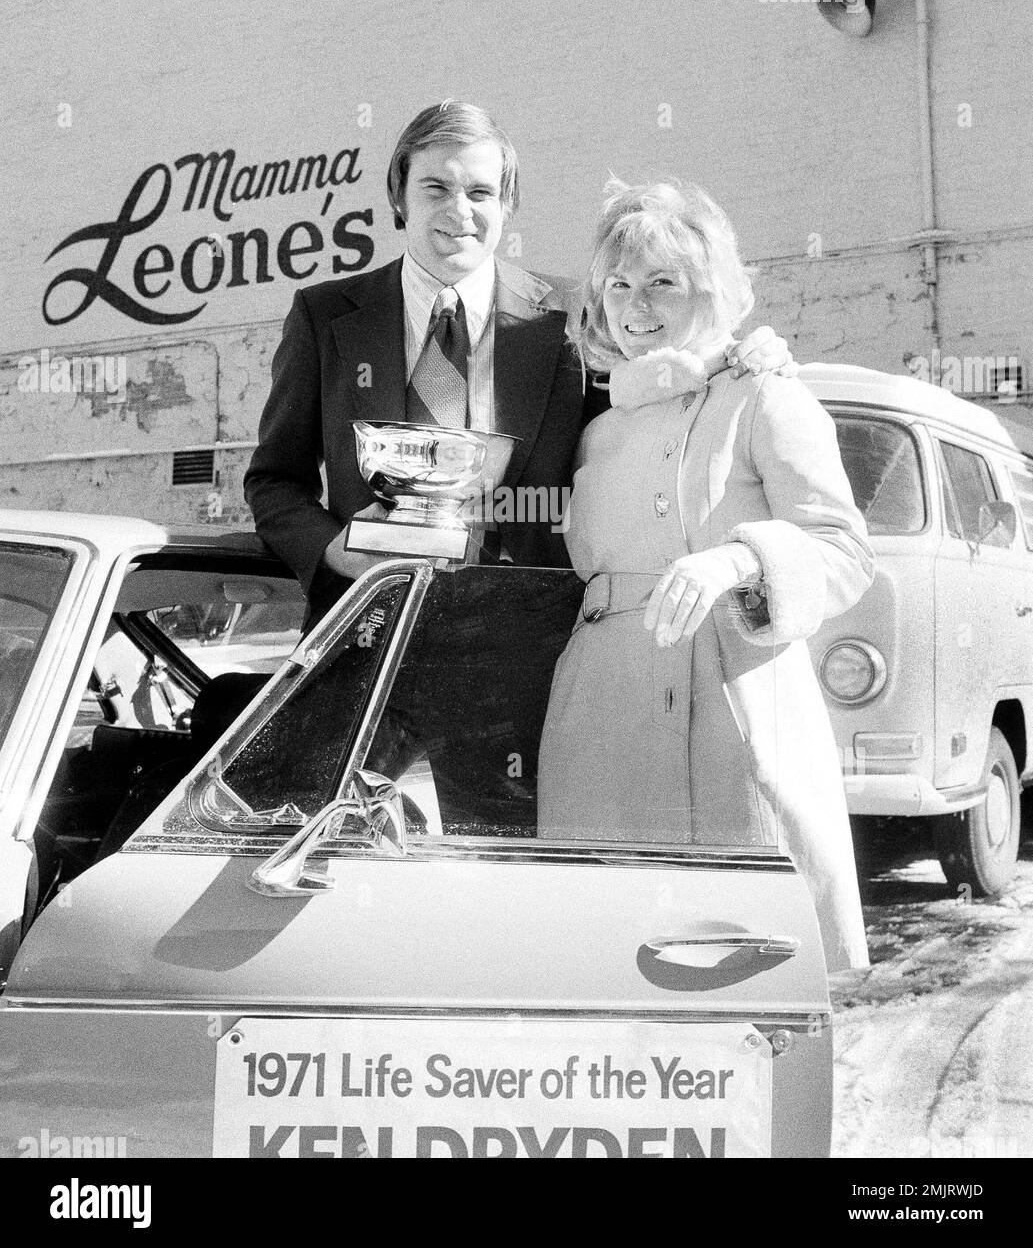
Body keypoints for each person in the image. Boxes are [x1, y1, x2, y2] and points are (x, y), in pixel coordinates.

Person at [245, 103, 792, 627]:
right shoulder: (325, 316)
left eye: (480, 192)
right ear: (399, 196)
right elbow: (274, 481)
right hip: (368, 623)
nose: (459, 211)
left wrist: (738, 359)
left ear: (507, 206)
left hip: (531, 632)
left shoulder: (573, 315)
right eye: (436, 187)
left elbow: (651, 401)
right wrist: (333, 549)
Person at [537, 179, 875, 971]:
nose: (635, 305)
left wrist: (741, 558)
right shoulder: (595, 431)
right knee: (610, 963)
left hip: (734, 710)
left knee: (744, 970)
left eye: (662, 282)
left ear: (710, 289)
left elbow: (843, 550)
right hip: (602, 719)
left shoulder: (763, 395)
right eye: (618, 284)